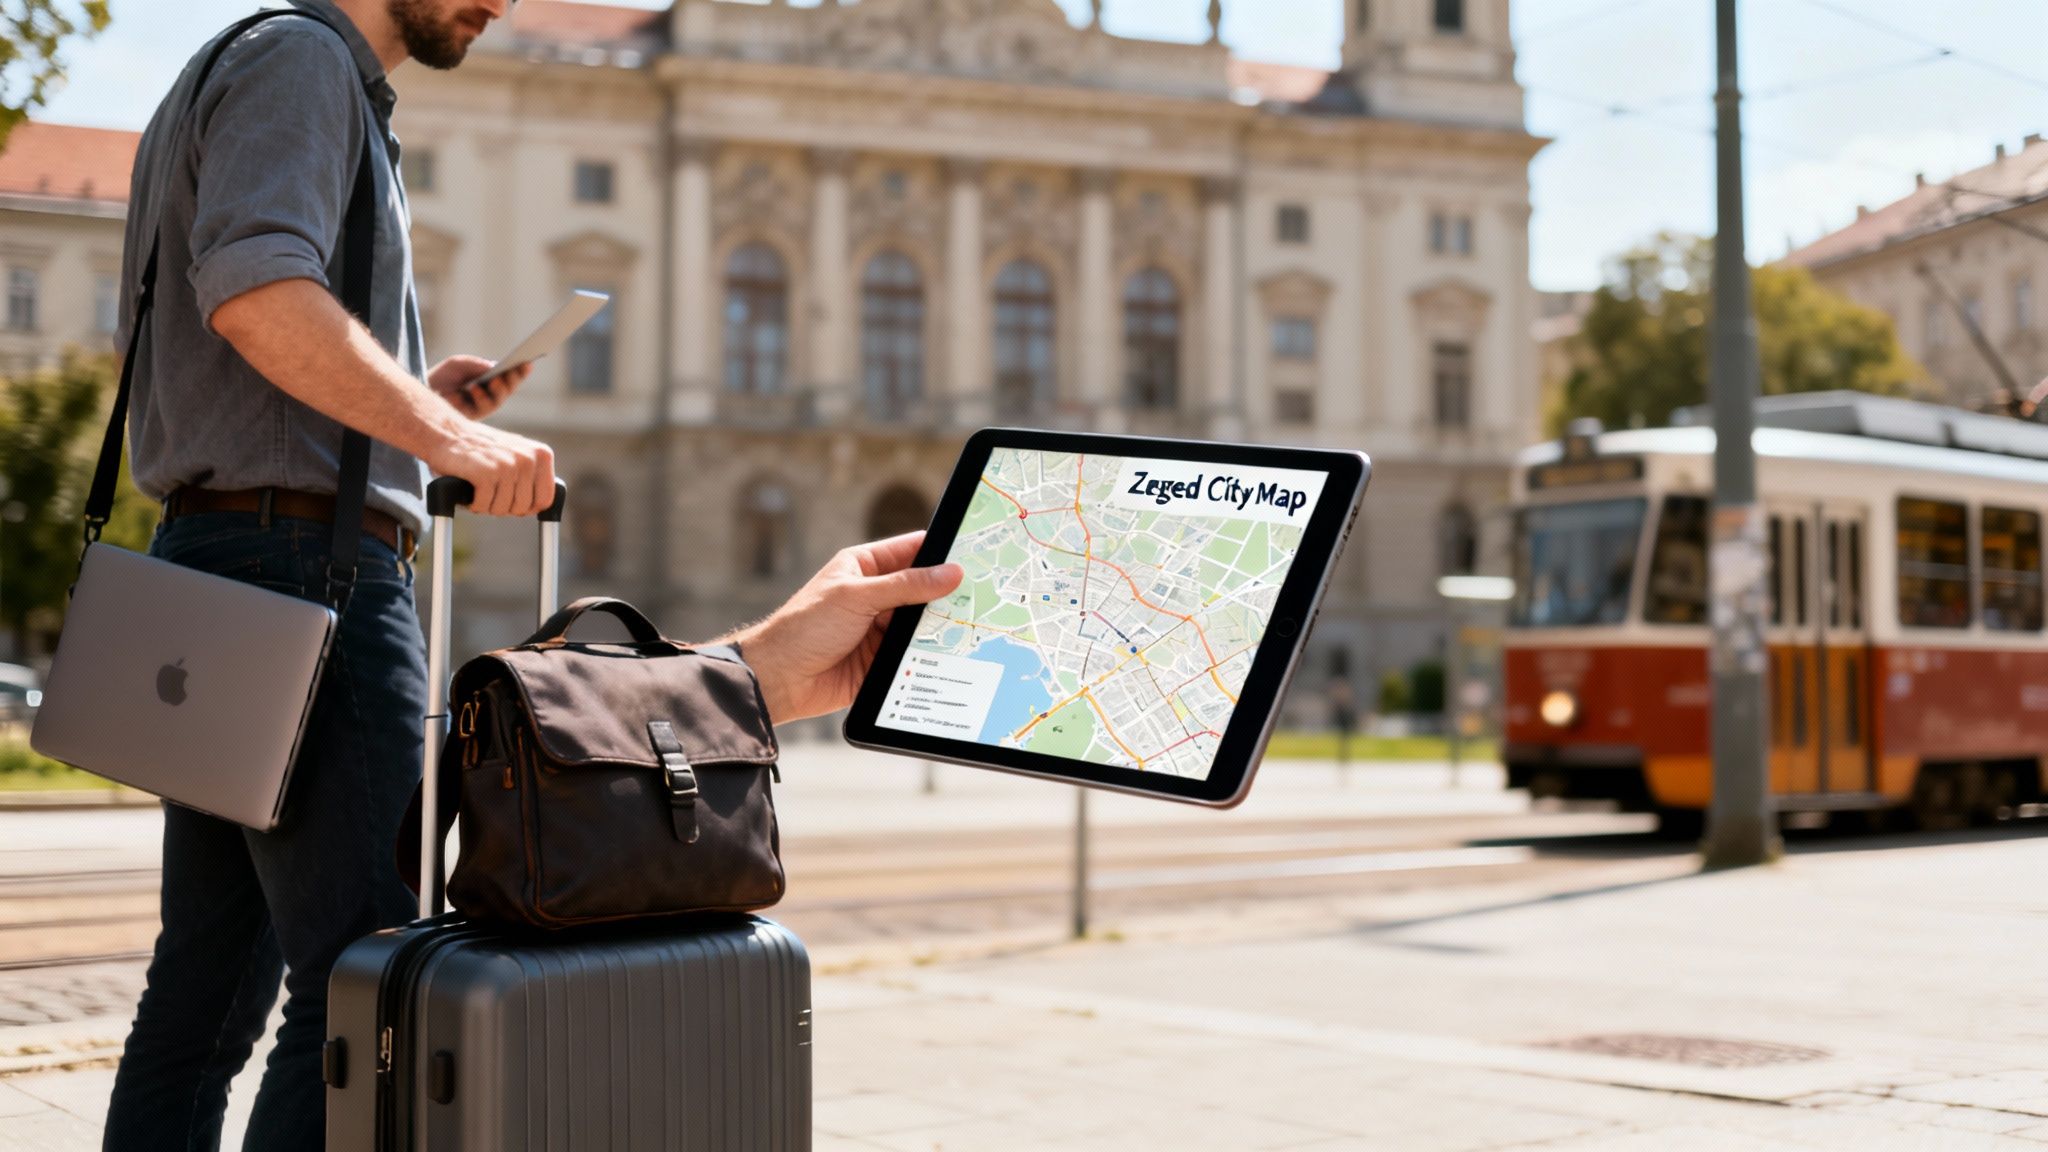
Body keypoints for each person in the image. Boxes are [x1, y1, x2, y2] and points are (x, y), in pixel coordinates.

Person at [104, 2, 962, 1147]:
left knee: (203, 990)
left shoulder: (244, 60)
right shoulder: (304, 60)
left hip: (220, 563)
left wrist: (419, 396)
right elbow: (257, 290)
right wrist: (448, 443)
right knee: (367, 980)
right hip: (311, 573)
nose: (502, 2)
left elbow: (242, 324)